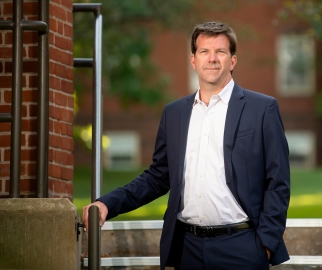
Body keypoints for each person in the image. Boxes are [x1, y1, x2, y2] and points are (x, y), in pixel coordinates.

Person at [82, 21, 290, 270]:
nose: (212, 59)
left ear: (232, 61)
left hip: (242, 247)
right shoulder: (175, 113)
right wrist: (107, 203)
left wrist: (265, 245)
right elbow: (158, 177)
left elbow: (278, 181)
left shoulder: (261, 109)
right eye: (204, 51)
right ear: (193, 60)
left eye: (220, 52)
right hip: (186, 248)